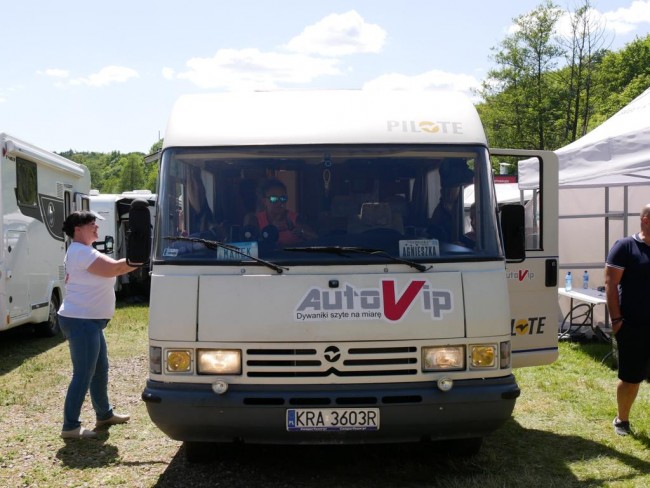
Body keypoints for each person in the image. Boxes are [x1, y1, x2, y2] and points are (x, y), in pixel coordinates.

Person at [58, 210, 138, 439]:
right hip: (81, 321)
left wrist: (135, 260)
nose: (96, 227)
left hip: (88, 321)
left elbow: (115, 267)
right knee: (83, 373)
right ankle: (70, 427)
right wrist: (139, 258)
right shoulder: (80, 252)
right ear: (78, 229)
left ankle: (104, 414)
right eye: (92, 224)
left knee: (100, 369)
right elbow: (115, 269)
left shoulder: (85, 250)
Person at [605, 203, 650, 436]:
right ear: (645, 219)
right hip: (633, 325)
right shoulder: (625, 247)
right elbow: (610, 284)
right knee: (631, 378)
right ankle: (622, 419)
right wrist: (616, 321)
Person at [245, 179, 316, 246]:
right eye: (274, 199)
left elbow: (315, 238)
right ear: (264, 201)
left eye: (283, 198)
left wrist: (301, 232)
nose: (279, 203)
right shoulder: (254, 219)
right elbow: (248, 245)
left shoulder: (295, 218)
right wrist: (271, 230)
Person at [430, 158, 474, 242]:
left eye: (453, 189)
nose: (449, 193)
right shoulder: (441, 209)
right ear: (442, 191)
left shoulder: (457, 206)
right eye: (447, 190)